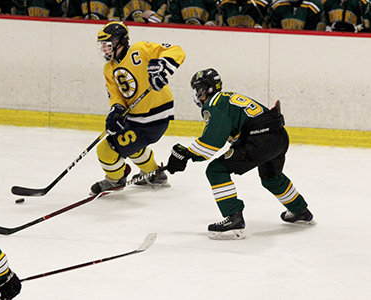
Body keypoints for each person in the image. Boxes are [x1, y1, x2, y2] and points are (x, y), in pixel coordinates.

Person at [166, 68, 316, 240]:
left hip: (260, 142)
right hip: (279, 137)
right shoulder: (227, 98)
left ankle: (234, 219)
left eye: (196, 90)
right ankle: (301, 211)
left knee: (216, 170)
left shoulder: (215, 104)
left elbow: (211, 143)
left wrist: (186, 154)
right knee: (271, 178)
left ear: (204, 90)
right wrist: (188, 155)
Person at [90, 21, 186, 195]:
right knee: (130, 144)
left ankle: (116, 180)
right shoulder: (109, 68)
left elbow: (176, 50)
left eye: (107, 45)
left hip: (154, 119)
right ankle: (155, 174)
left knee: (105, 150)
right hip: (135, 118)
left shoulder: (140, 50)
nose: (104, 49)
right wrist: (116, 111)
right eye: (102, 46)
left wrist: (162, 68)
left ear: (120, 41)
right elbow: (116, 95)